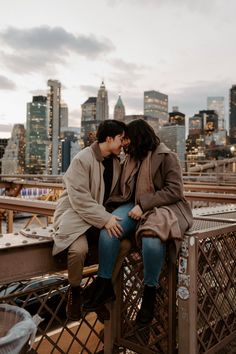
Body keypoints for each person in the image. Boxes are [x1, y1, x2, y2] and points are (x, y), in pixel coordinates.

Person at [83, 119, 193, 326]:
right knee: (110, 229)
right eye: (122, 139)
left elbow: (175, 191)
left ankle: (150, 292)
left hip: (162, 207)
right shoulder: (130, 157)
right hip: (132, 206)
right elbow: (119, 187)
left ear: (138, 137)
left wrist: (144, 205)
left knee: (152, 241)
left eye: (127, 138)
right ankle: (104, 284)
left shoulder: (166, 156)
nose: (124, 143)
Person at [52, 119, 130, 321]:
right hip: (75, 216)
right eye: (121, 139)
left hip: (98, 218)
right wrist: (106, 219)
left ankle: (99, 292)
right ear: (109, 138)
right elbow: (79, 198)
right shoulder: (82, 159)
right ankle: (75, 292)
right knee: (78, 251)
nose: (123, 143)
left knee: (124, 244)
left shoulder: (116, 162)